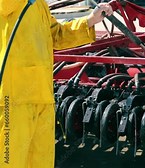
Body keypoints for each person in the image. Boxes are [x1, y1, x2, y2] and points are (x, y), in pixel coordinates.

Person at [0, 0, 113, 167]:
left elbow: (56, 35)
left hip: (42, 97)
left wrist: (90, 20)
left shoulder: (38, 5)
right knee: (10, 161)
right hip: (14, 99)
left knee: (42, 161)